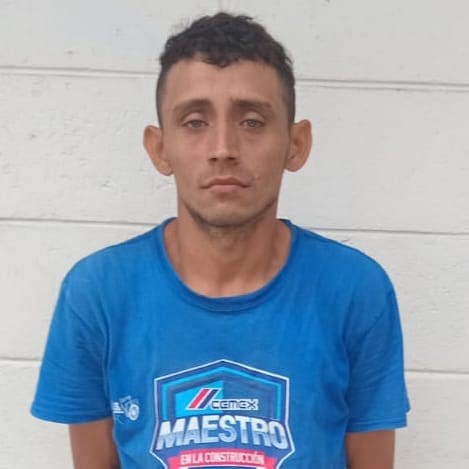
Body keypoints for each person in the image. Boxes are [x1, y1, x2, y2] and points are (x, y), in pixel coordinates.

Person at [31, 12, 409, 469]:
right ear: (160, 148)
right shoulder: (98, 293)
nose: (223, 148)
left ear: (296, 144)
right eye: (195, 122)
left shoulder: (354, 289)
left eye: (252, 121)